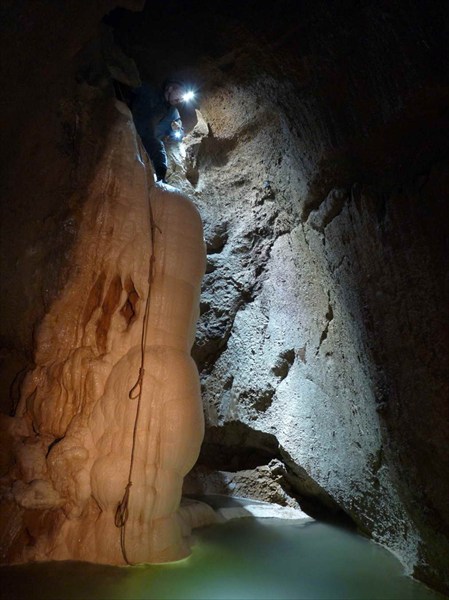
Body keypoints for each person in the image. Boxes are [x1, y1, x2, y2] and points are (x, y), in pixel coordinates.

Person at [131, 80, 186, 182]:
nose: (181, 99)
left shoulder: (173, 113)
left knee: (158, 151)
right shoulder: (151, 93)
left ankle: (160, 180)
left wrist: (176, 130)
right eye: (181, 93)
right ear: (170, 88)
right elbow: (133, 89)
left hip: (150, 140)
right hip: (135, 129)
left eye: (183, 98)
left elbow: (179, 135)